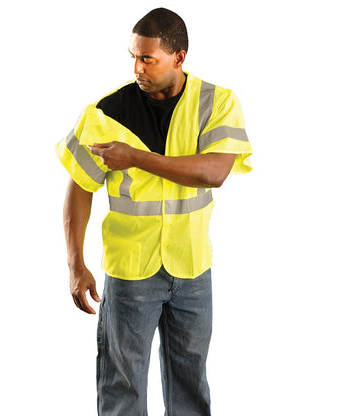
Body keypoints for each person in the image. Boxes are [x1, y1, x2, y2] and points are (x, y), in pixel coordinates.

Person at [56, 7, 252, 415]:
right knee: (122, 385)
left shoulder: (216, 102)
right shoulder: (107, 112)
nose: (137, 68)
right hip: (131, 271)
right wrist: (76, 264)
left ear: (179, 57)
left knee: (190, 384)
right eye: (133, 57)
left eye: (147, 59)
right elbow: (79, 186)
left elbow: (215, 172)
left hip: (192, 268)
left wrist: (135, 157)